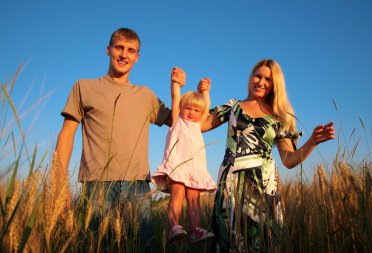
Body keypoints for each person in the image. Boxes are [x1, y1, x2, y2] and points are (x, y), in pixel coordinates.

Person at [55, 28, 179, 252]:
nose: (124, 54)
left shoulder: (145, 95)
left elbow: (180, 122)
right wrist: (59, 184)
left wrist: (178, 92)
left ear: (137, 57)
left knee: (143, 248)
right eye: (119, 48)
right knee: (95, 246)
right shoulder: (84, 87)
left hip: (138, 185)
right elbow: (66, 135)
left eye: (131, 50)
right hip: (97, 186)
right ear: (108, 50)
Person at [198, 59, 335, 252]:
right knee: (229, 241)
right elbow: (200, 125)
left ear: (275, 84)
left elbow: (288, 160)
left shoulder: (279, 117)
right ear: (251, 77)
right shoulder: (233, 106)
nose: (261, 82)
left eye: (268, 79)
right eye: (258, 76)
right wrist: (204, 95)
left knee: (262, 242)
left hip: (263, 188)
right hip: (230, 186)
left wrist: (312, 142)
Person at [151, 67, 217, 244]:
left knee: (194, 201)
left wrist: (205, 91)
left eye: (197, 111)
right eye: (188, 108)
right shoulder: (176, 120)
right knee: (177, 196)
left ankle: (195, 230)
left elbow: (206, 106)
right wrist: (175, 83)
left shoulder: (198, 124)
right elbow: (175, 98)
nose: (192, 113)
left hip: (195, 168)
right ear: (181, 108)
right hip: (177, 166)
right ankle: (174, 226)